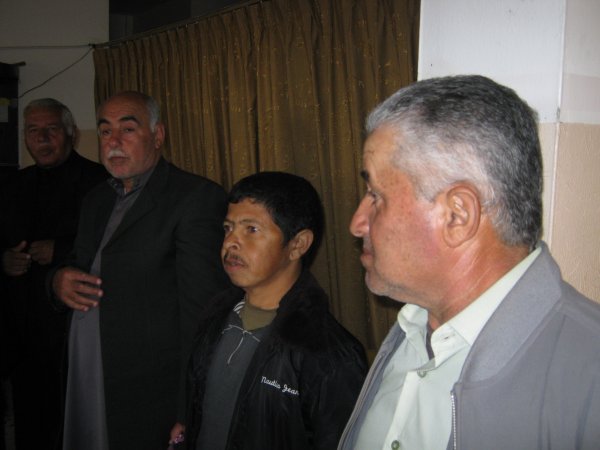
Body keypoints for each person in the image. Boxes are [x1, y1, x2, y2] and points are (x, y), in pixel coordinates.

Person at [338, 75, 600, 450]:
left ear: (457, 216)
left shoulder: (589, 378)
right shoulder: (411, 328)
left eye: (375, 195)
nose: (357, 223)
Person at [50, 91, 230, 450]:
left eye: (127, 129)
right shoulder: (97, 199)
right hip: (85, 370)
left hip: (146, 390)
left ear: (157, 135)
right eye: (105, 131)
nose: (113, 141)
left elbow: (202, 315)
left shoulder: (194, 197)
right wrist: (56, 282)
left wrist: (189, 406)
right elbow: (77, 264)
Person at [177, 171, 368, 450]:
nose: (231, 242)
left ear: (298, 244)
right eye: (228, 228)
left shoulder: (328, 353)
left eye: (251, 230)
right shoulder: (214, 318)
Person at [0, 98, 108, 450]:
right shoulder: (12, 185)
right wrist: (4, 260)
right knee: (29, 425)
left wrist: (60, 250)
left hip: (73, 332)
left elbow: (115, 246)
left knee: (74, 426)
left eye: (51, 129)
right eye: (33, 130)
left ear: (71, 134)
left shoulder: (99, 182)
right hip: (22, 334)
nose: (42, 138)